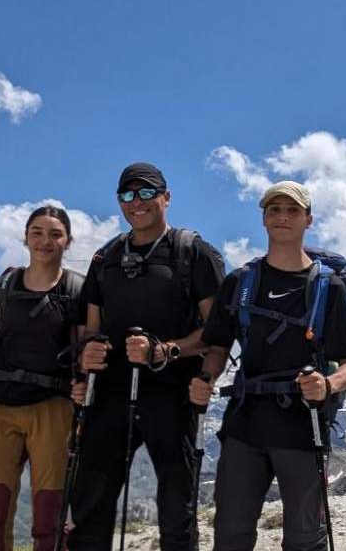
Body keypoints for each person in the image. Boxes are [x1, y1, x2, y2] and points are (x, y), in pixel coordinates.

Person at [190, 180, 346, 551]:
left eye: (292, 210)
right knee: (230, 535)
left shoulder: (329, 288)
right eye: (274, 210)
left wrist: (328, 386)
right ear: (264, 218)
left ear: (308, 219)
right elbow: (217, 345)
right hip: (244, 425)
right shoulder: (239, 282)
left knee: (304, 539)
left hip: (302, 427)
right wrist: (206, 376)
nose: (282, 217)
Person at [67, 162, 225, 551]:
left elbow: (217, 331)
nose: (136, 202)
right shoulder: (105, 258)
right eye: (127, 194)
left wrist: (165, 350)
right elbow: (90, 330)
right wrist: (87, 354)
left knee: (176, 507)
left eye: (146, 193)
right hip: (109, 395)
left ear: (166, 197)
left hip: (172, 393)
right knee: (90, 504)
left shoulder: (193, 252)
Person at [0, 205, 87, 551]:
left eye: (55, 234)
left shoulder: (78, 290)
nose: (45, 241)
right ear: (25, 238)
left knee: (50, 518)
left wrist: (86, 386)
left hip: (54, 408)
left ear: (68, 241)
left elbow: (86, 351)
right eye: (37, 233)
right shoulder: (1, 288)